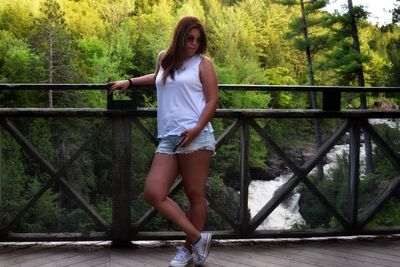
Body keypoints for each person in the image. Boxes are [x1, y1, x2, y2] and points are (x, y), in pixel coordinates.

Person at [109, 16, 218, 267]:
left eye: (198, 40)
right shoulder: (164, 59)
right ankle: (197, 238)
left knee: (194, 194)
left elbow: (212, 100)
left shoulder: (204, 64)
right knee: (153, 193)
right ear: (179, 36)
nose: (193, 44)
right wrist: (129, 82)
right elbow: (159, 77)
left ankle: (189, 249)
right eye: (189, 38)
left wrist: (196, 128)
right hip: (168, 138)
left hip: (196, 135)